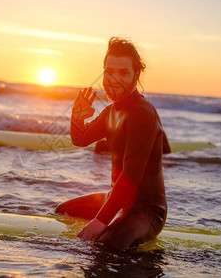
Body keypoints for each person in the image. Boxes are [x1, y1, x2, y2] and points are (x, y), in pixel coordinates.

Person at [55, 37, 170, 251]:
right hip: (118, 199)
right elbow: (80, 139)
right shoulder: (111, 112)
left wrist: (100, 222)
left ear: (136, 75)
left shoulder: (142, 114)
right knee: (63, 211)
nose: (113, 79)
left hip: (146, 210)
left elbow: (131, 176)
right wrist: (77, 115)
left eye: (123, 73)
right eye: (109, 72)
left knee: (105, 247)